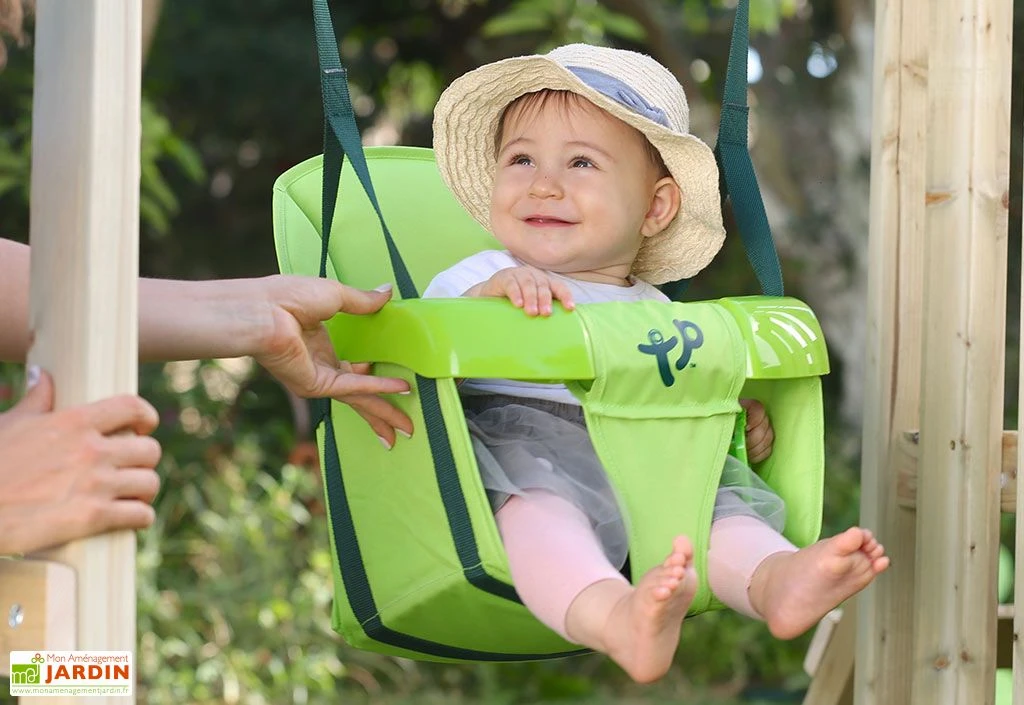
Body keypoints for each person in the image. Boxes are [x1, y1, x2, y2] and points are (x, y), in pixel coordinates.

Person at [424, 44, 888, 683]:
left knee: (717, 506)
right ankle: (614, 616)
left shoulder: (660, 312)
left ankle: (773, 580)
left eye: (581, 162)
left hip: (653, 458)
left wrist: (728, 419)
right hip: (527, 446)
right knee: (537, 509)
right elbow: (421, 343)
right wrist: (486, 302)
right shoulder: (485, 274)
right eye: (521, 158)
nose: (543, 183)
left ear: (655, 207)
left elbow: (681, 385)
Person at [0, 237, 414, 555]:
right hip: (30, 626)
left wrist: (263, 318)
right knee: (71, 668)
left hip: (42, 645)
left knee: (82, 671)